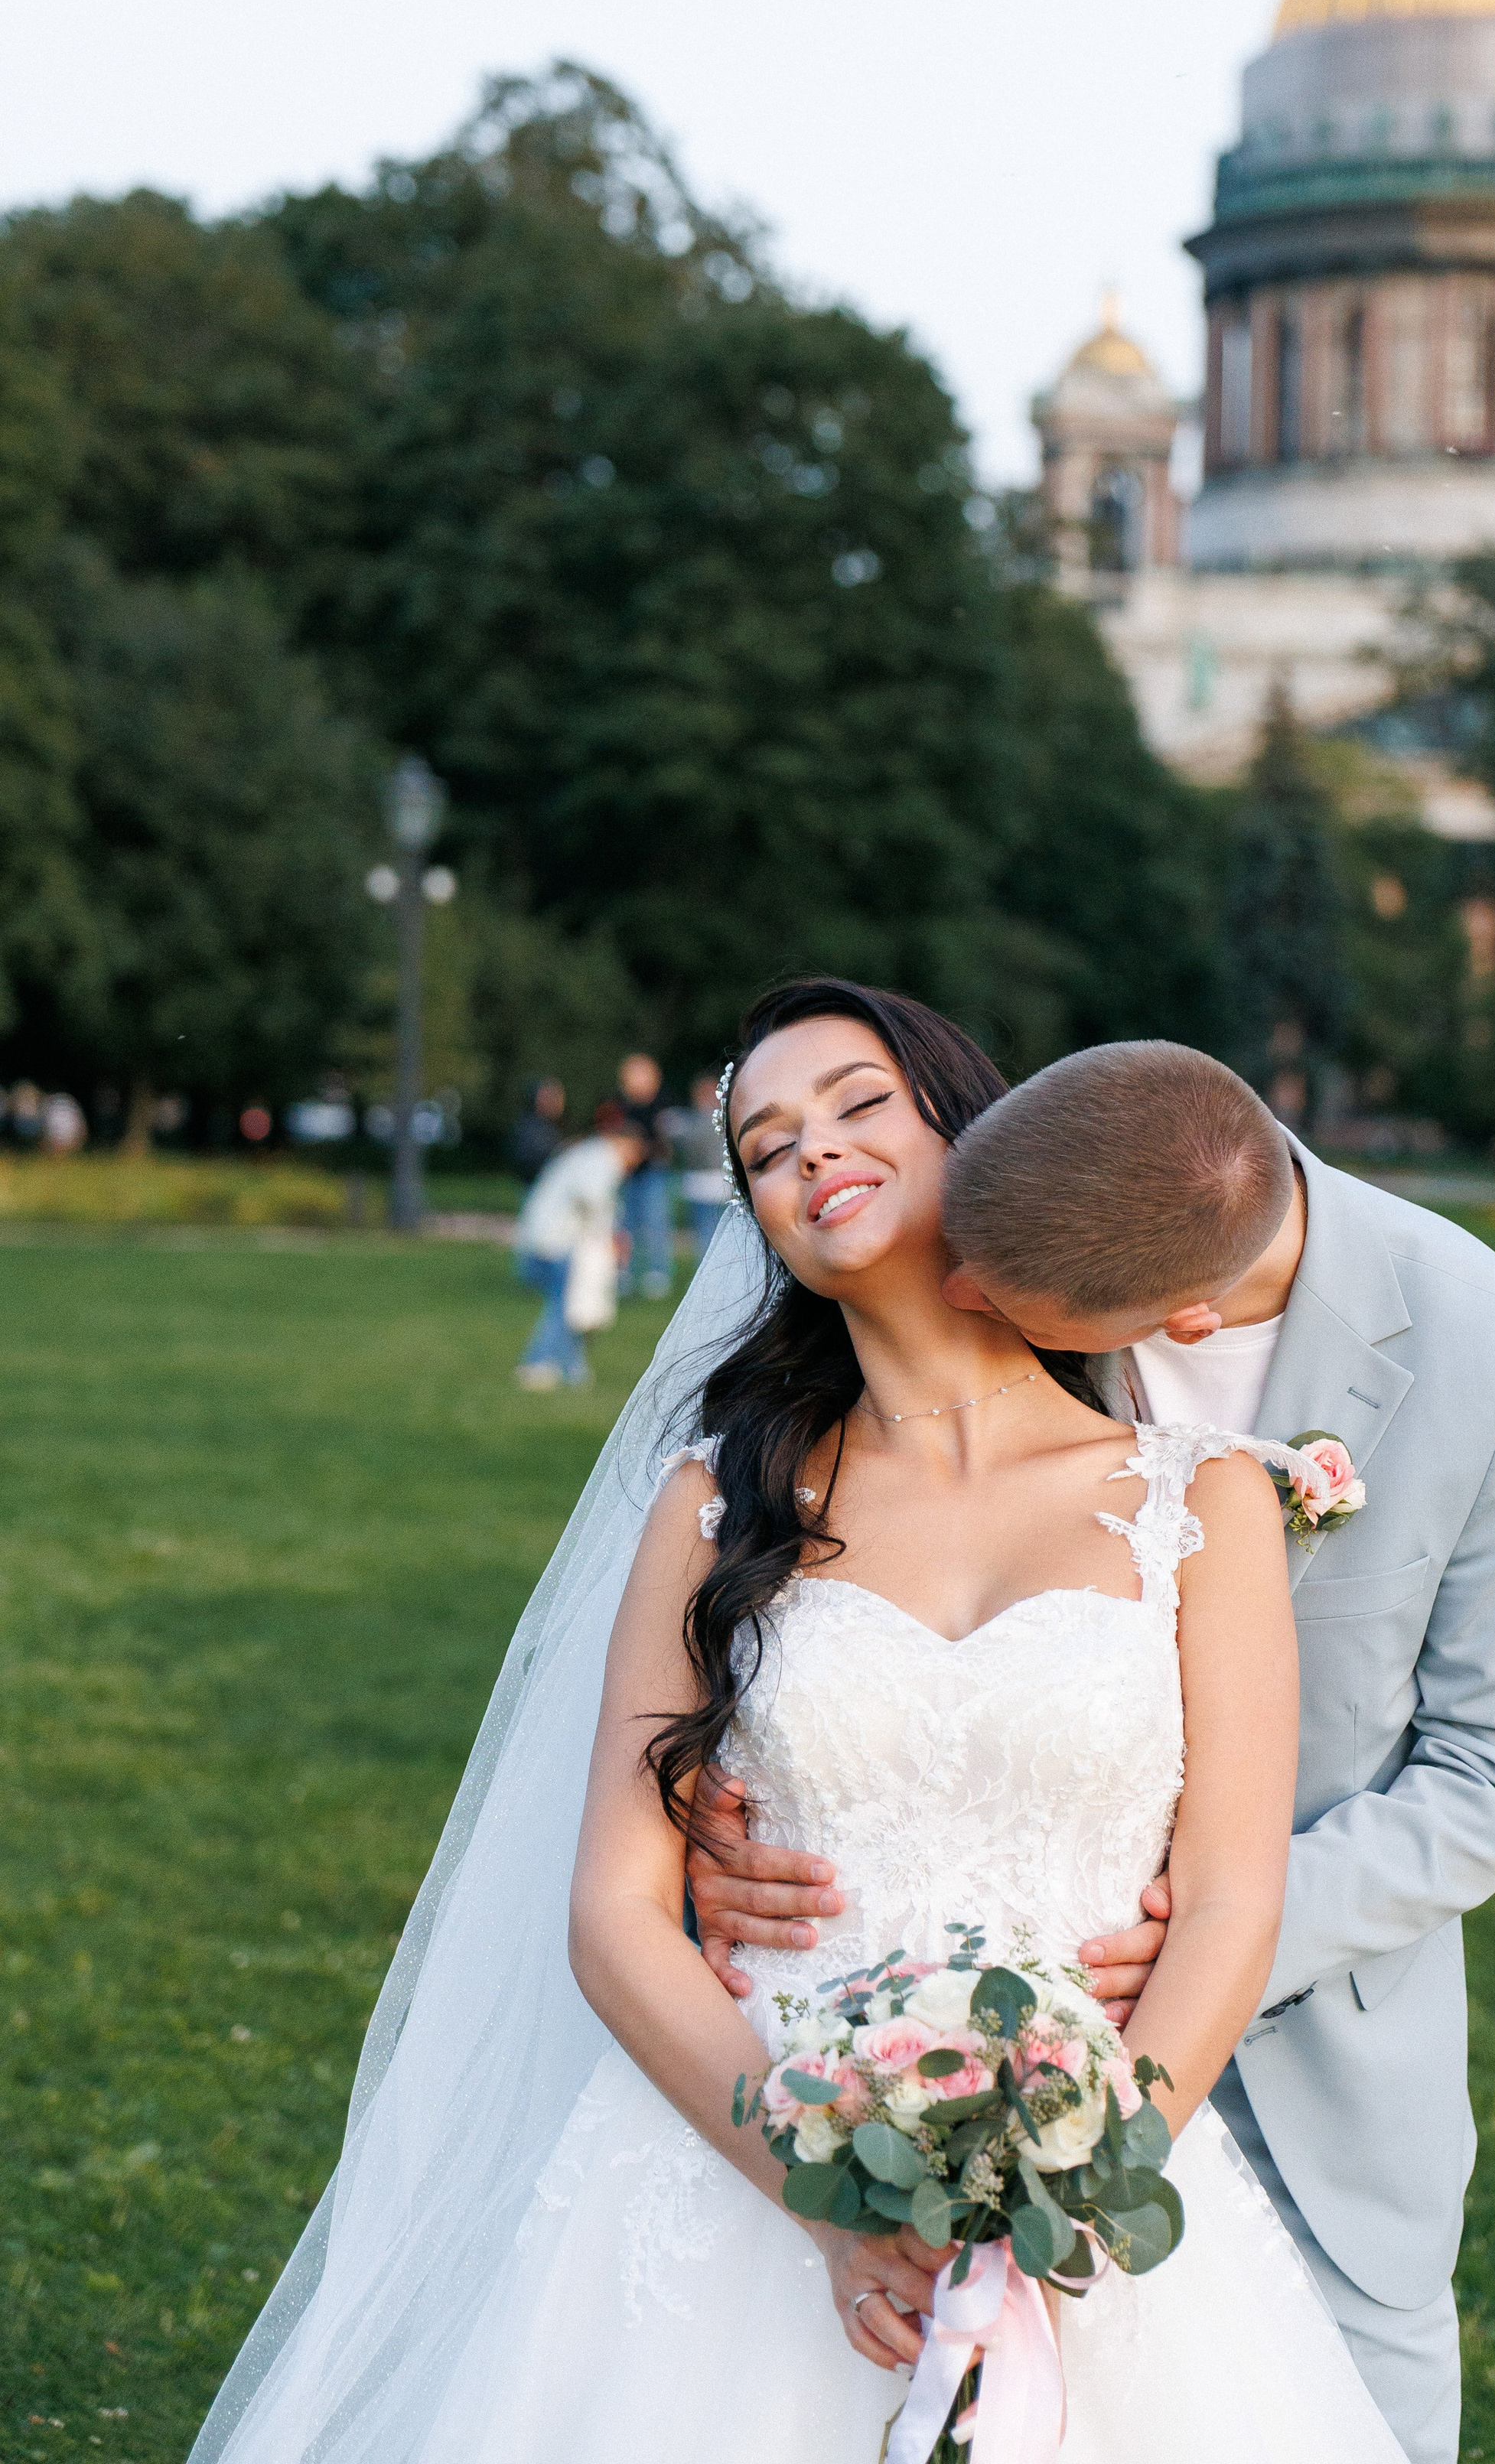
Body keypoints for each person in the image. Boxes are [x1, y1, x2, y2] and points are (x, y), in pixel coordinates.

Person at [190, 981, 1405, 2464]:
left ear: (972, 1128)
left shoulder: (1196, 1494)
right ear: (757, 1218)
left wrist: (1070, 2180)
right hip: (753, 2160)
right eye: (764, 1147)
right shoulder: (713, 1510)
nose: (808, 1151)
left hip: (1092, 2170)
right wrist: (825, 2202)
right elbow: (614, 1912)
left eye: (853, 1102)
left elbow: (1229, 1896)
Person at [689, 1036, 1495, 2464]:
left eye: (1002, 1298)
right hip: (907, 2034)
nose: (961, 1291)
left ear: (1168, 1323)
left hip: (1315, 2066)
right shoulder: (1069, 1164)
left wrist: (1219, 1934)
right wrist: (740, 1800)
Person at [510, 1104, 655, 1391]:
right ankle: (537, 1364)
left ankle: (572, 1368)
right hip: (556, 1239)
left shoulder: (588, 1153)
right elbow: (591, 1198)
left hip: (548, 1234)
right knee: (564, 1305)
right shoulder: (602, 1158)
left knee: (570, 1304)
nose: (634, 1163)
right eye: (634, 1153)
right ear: (623, 1143)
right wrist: (609, 1238)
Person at [616, 1053, 674, 1297]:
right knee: (623, 1225)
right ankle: (622, 1272)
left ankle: (657, 1273)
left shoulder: (662, 1105)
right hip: (627, 1173)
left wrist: (644, 1147)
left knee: (655, 1223)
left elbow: (667, 1143)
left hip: (653, 1172)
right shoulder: (621, 1105)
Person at [661, 1067, 732, 1256]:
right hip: (699, 1184)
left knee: (722, 1232)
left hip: (720, 1183)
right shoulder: (691, 1119)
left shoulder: (723, 1118)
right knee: (705, 1236)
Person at [507, 1078, 565, 1187]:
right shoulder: (532, 1129)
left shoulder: (545, 1127)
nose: (559, 1102)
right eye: (552, 1097)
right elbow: (533, 1161)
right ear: (539, 1099)